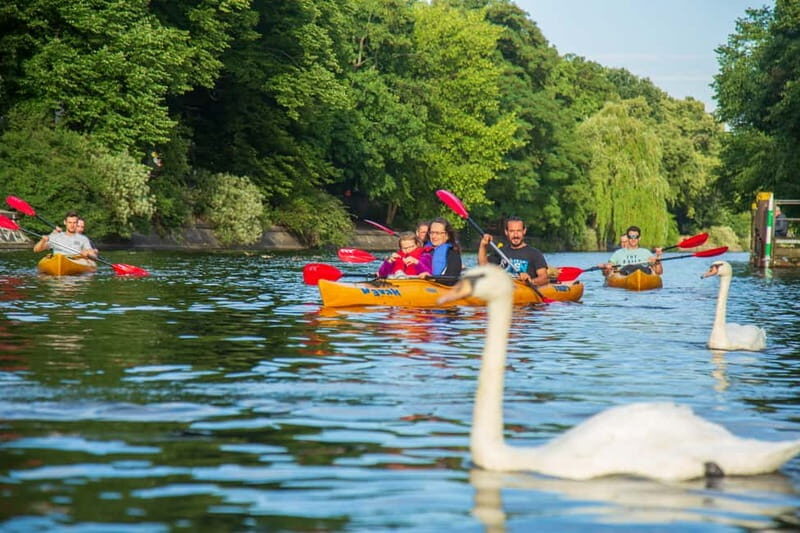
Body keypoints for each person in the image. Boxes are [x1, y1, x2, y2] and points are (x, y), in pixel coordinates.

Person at [478, 216, 548, 286]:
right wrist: (483, 246)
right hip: (504, 288)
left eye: (519, 231)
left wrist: (530, 281)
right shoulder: (500, 252)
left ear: (524, 231)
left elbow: (544, 278)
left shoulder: (534, 253)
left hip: (524, 289)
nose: (515, 235)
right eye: (512, 231)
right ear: (506, 232)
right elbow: (483, 266)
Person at [598, 225, 663, 275]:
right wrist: (606, 267)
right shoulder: (618, 253)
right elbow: (607, 272)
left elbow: (659, 272)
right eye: (630, 237)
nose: (633, 239)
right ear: (628, 238)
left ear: (639, 238)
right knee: (629, 267)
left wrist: (657, 262)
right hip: (625, 273)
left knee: (641, 268)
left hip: (643, 272)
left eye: (636, 237)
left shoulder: (646, 252)